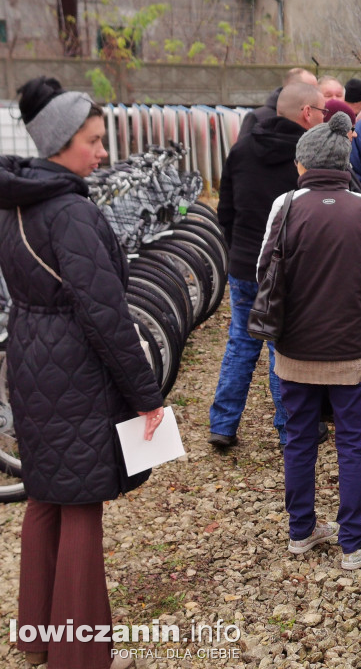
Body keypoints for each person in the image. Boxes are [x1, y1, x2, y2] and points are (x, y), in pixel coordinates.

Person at [1, 77, 164, 669]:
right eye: (93, 141)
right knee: (82, 507)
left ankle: (38, 637)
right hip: (73, 366)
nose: (101, 153)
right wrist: (147, 397)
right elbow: (106, 316)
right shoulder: (69, 212)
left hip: (29, 357)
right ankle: (83, 655)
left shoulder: (16, 201)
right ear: (60, 142)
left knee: (46, 493)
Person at [258, 113, 361, 568]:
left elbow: (264, 273)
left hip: (294, 348)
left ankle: (301, 531)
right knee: (353, 444)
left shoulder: (286, 206)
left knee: (298, 438)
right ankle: (353, 543)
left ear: (303, 164)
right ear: (344, 162)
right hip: (351, 349)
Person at [209, 82, 327, 450]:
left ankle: (223, 424)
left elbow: (224, 211)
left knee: (241, 342)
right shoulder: (306, 156)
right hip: (287, 266)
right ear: (306, 112)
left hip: (245, 264)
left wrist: (239, 250)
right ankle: (291, 428)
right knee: (283, 348)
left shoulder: (241, 149)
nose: (325, 118)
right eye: (322, 111)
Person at [240, 67, 317, 138]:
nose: (316, 94)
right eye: (309, 89)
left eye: (317, 89)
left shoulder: (317, 115)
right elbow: (242, 150)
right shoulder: (257, 117)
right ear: (290, 88)